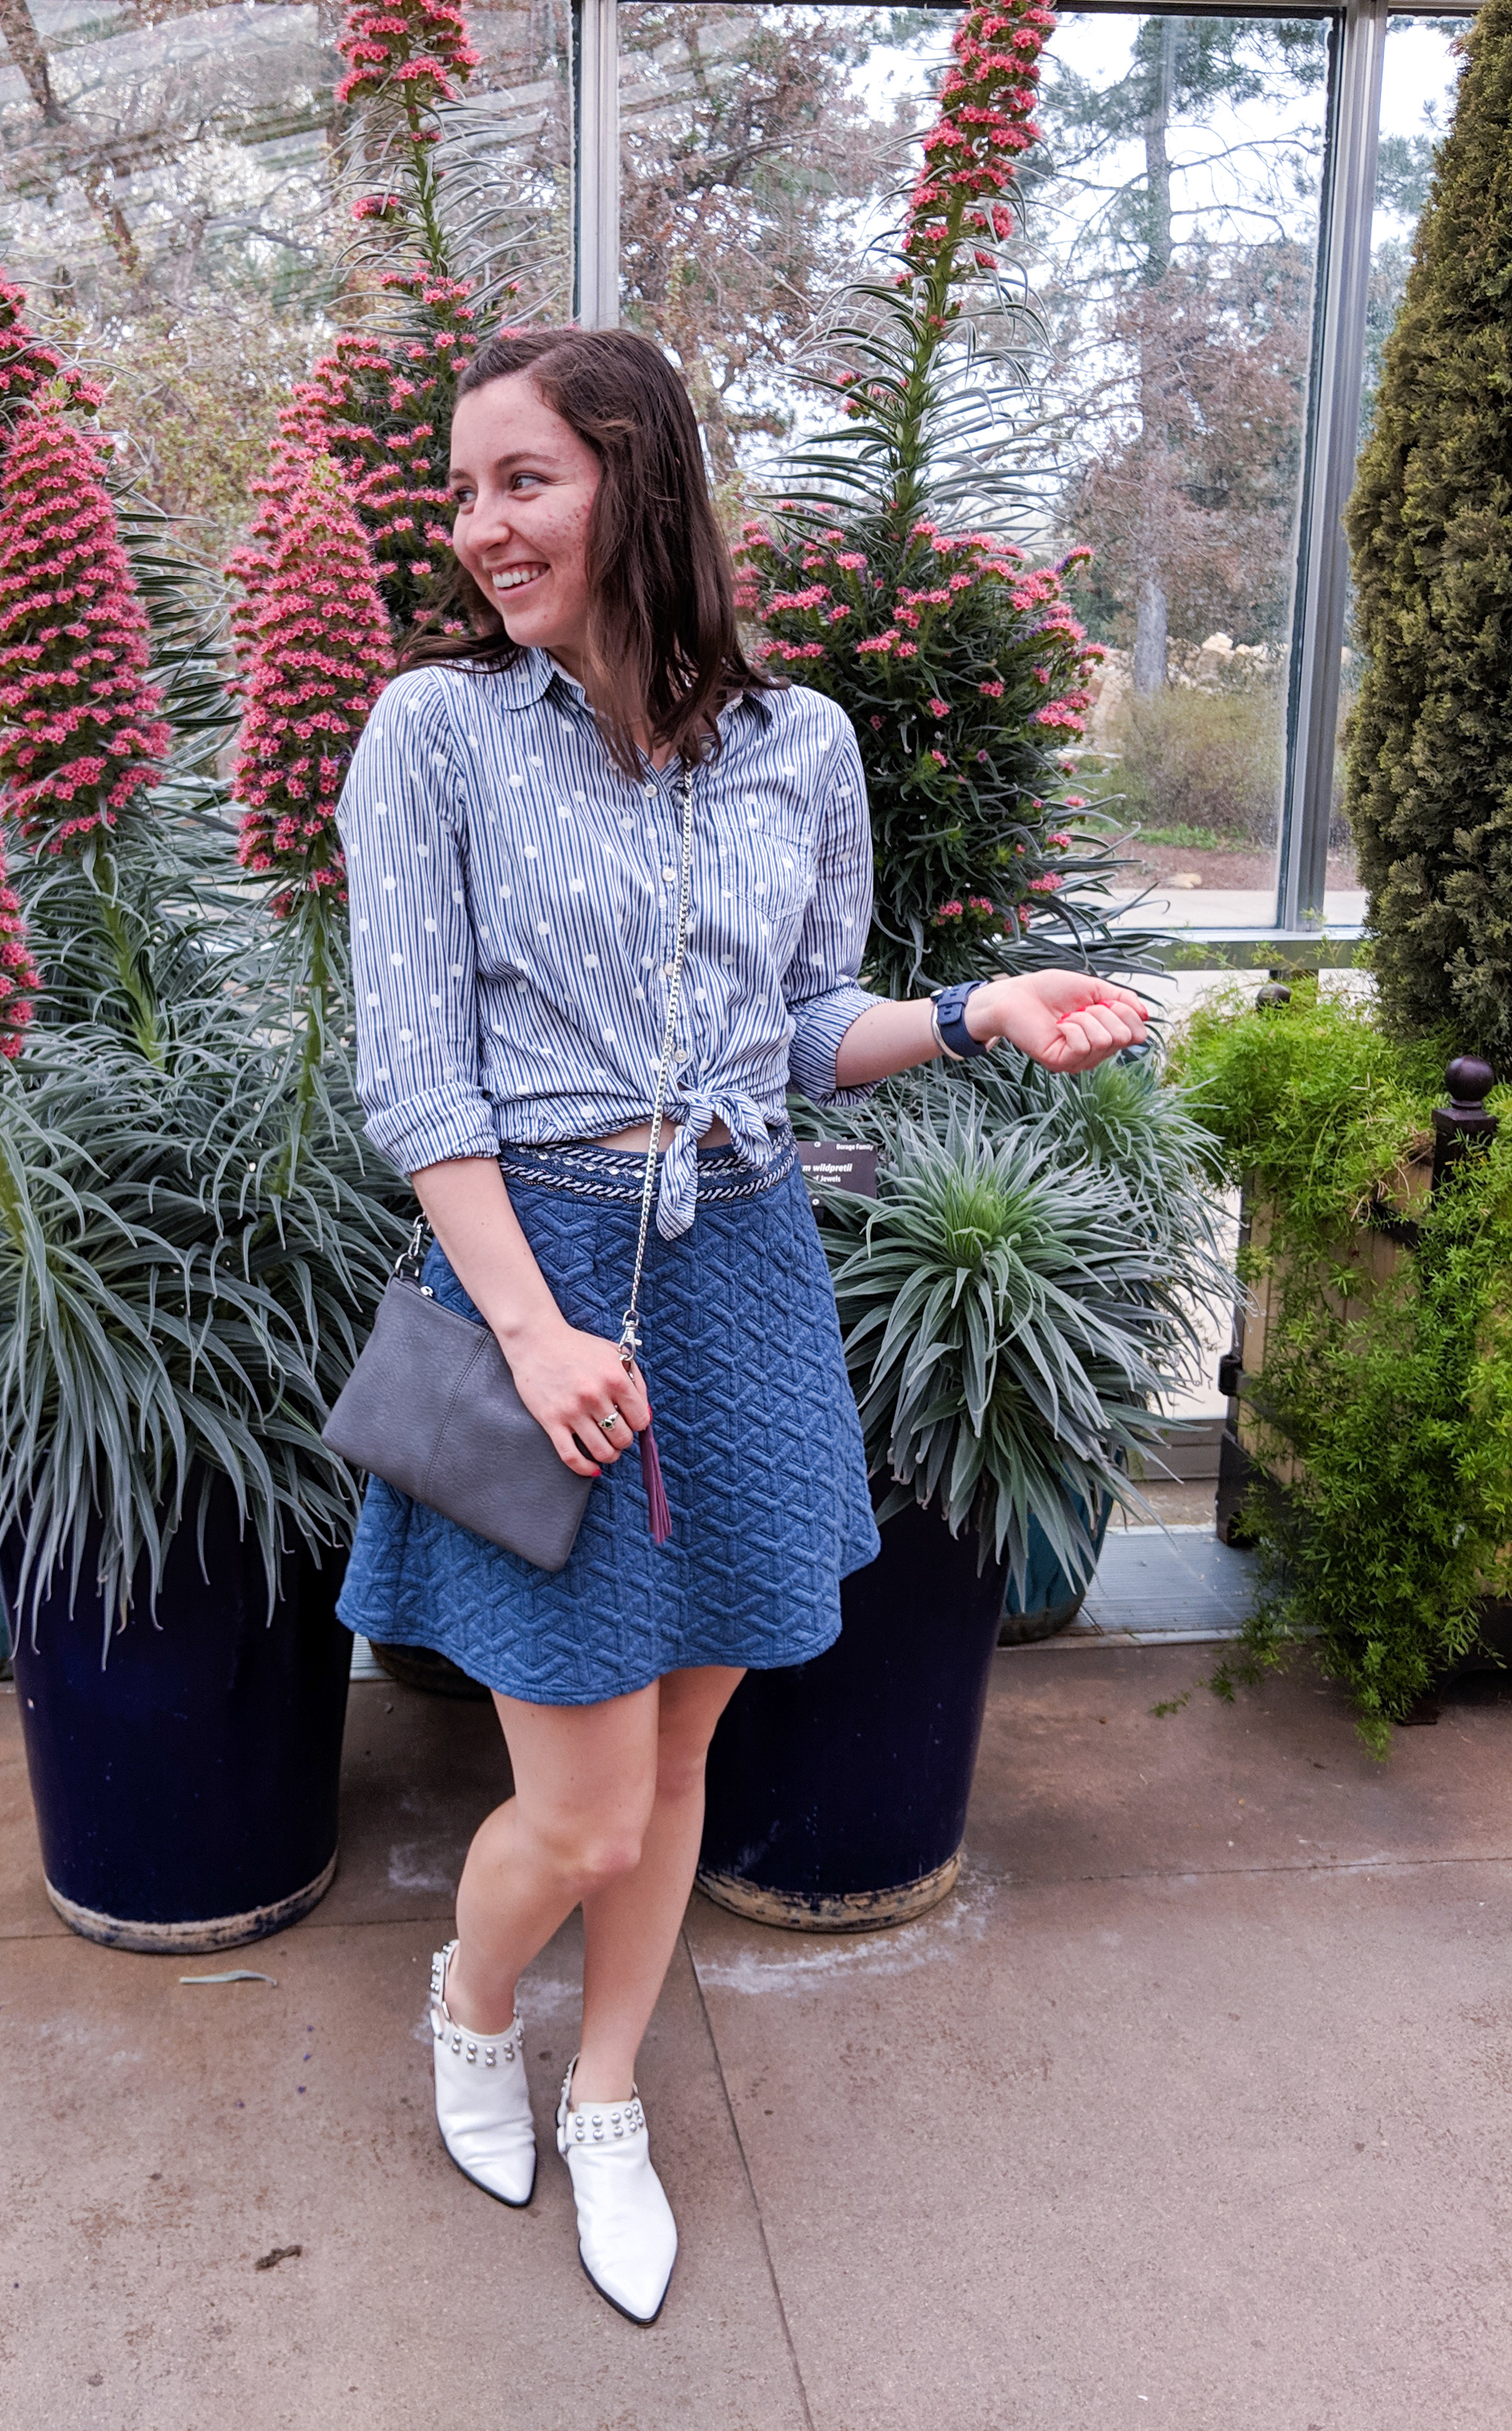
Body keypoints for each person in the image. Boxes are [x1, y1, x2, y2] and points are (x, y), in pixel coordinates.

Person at [333, 327, 1147, 2325]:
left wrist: (969, 1015)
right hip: (542, 1283)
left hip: (743, 1268)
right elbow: (420, 1084)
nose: (480, 528)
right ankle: (468, 2002)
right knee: (582, 1800)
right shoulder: (433, 732)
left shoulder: (798, 746)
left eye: (522, 479)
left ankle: (607, 2088)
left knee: (688, 1736)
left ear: (637, 475)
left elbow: (796, 1026)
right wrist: (526, 1336)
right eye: (463, 493)